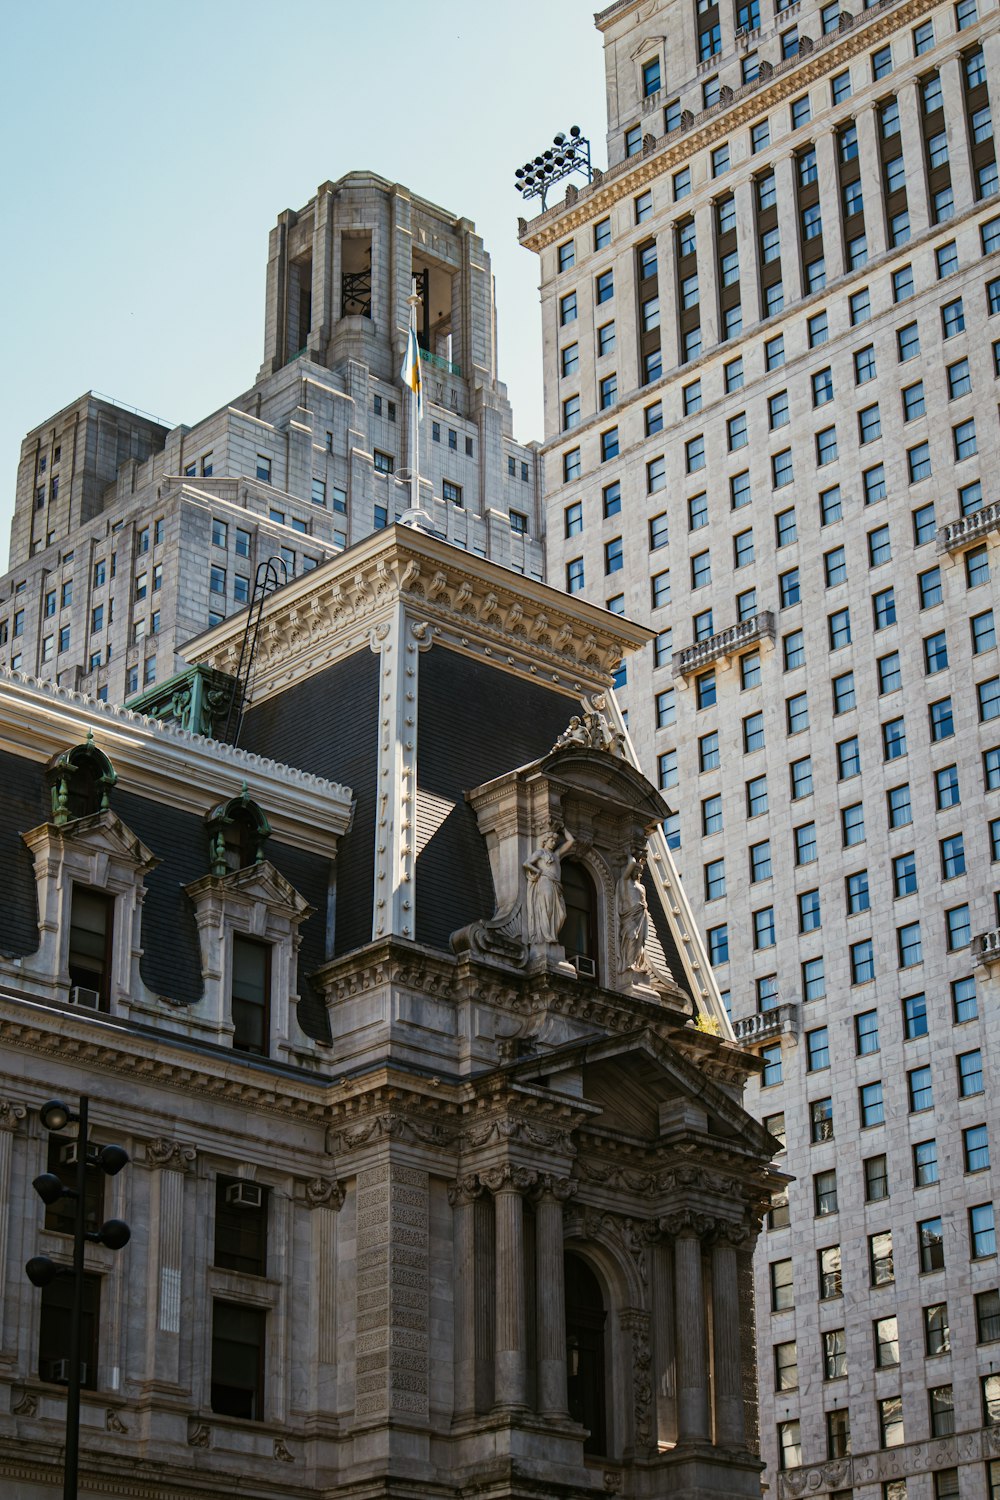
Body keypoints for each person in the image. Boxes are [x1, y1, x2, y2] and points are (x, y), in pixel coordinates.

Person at [523, 827, 575, 943]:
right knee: (547, 908)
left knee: (562, 914)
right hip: (545, 881)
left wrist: (564, 829)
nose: (554, 843)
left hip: (556, 884)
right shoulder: (540, 852)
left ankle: (552, 934)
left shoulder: (556, 854)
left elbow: (571, 841)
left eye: (555, 841)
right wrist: (537, 871)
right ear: (545, 841)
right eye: (551, 841)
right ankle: (546, 936)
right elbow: (526, 863)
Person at [617, 854, 649, 973]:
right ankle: (628, 964)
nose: (637, 871)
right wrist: (630, 852)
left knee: (640, 941)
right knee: (631, 936)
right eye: (635, 869)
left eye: (639, 870)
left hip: (641, 915)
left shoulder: (642, 887)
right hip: (629, 915)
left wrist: (644, 905)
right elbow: (631, 863)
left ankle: (635, 963)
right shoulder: (625, 882)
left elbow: (644, 900)